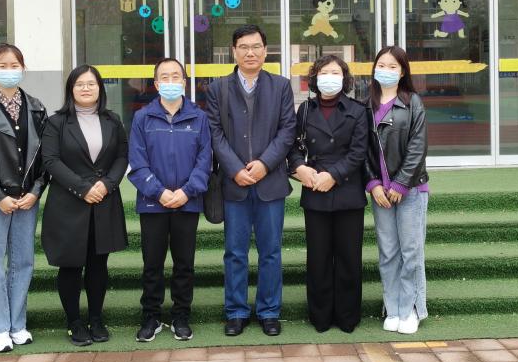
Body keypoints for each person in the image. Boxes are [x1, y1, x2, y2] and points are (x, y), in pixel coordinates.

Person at [206, 24, 296, 337]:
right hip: (235, 185)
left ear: (265, 50)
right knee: (235, 252)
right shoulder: (218, 89)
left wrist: (264, 164)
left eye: (256, 46)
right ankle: (236, 311)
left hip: (270, 182)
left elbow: (287, 130)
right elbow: (214, 133)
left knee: (271, 251)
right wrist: (234, 169)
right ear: (234, 51)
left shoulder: (281, 86)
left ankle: (269, 311)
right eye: (243, 47)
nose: (250, 52)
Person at [40, 65, 128, 346]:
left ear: (100, 88)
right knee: (71, 265)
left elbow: (122, 157)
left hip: (104, 201)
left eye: (91, 83)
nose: (86, 88)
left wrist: (108, 184)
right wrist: (82, 188)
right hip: (68, 204)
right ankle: (74, 322)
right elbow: (51, 160)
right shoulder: (57, 122)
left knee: (98, 264)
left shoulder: (112, 120)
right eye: (80, 84)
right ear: (71, 89)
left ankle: (96, 319)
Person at [0, 44, 47, 354]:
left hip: (27, 199)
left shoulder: (37, 108)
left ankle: (17, 324)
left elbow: (46, 157)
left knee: (22, 262)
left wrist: (35, 191)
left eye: (15, 65)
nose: (9, 70)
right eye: (3, 65)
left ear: (23, 69)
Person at [128, 58, 212, 343]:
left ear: (184, 82)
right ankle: (150, 316)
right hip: (153, 203)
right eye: (164, 77)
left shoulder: (199, 117)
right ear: (156, 84)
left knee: (184, 263)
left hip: (188, 201)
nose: (171, 81)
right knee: (152, 263)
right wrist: (159, 192)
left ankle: (181, 316)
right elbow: (137, 162)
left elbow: (205, 160)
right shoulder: (143, 118)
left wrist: (187, 191)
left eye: (176, 76)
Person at [288, 55, 369, 333]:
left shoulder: (358, 110)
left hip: (347, 191)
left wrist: (333, 175)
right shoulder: (305, 110)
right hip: (314, 189)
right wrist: (300, 168)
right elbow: (293, 147)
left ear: (344, 78)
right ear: (315, 78)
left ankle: (347, 316)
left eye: (335, 73)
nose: (329, 78)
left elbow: (358, 152)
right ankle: (320, 316)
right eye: (324, 73)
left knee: (349, 257)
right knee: (318, 258)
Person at [365, 45, 429, 335]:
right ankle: (392, 308)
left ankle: (411, 309)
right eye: (382, 65)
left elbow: (418, 147)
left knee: (411, 251)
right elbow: (361, 151)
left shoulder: (413, 102)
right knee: (388, 251)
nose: (386, 71)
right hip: (380, 193)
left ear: (403, 72)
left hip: (411, 189)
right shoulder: (365, 105)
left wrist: (401, 183)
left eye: (393, 66)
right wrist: (373, 184)